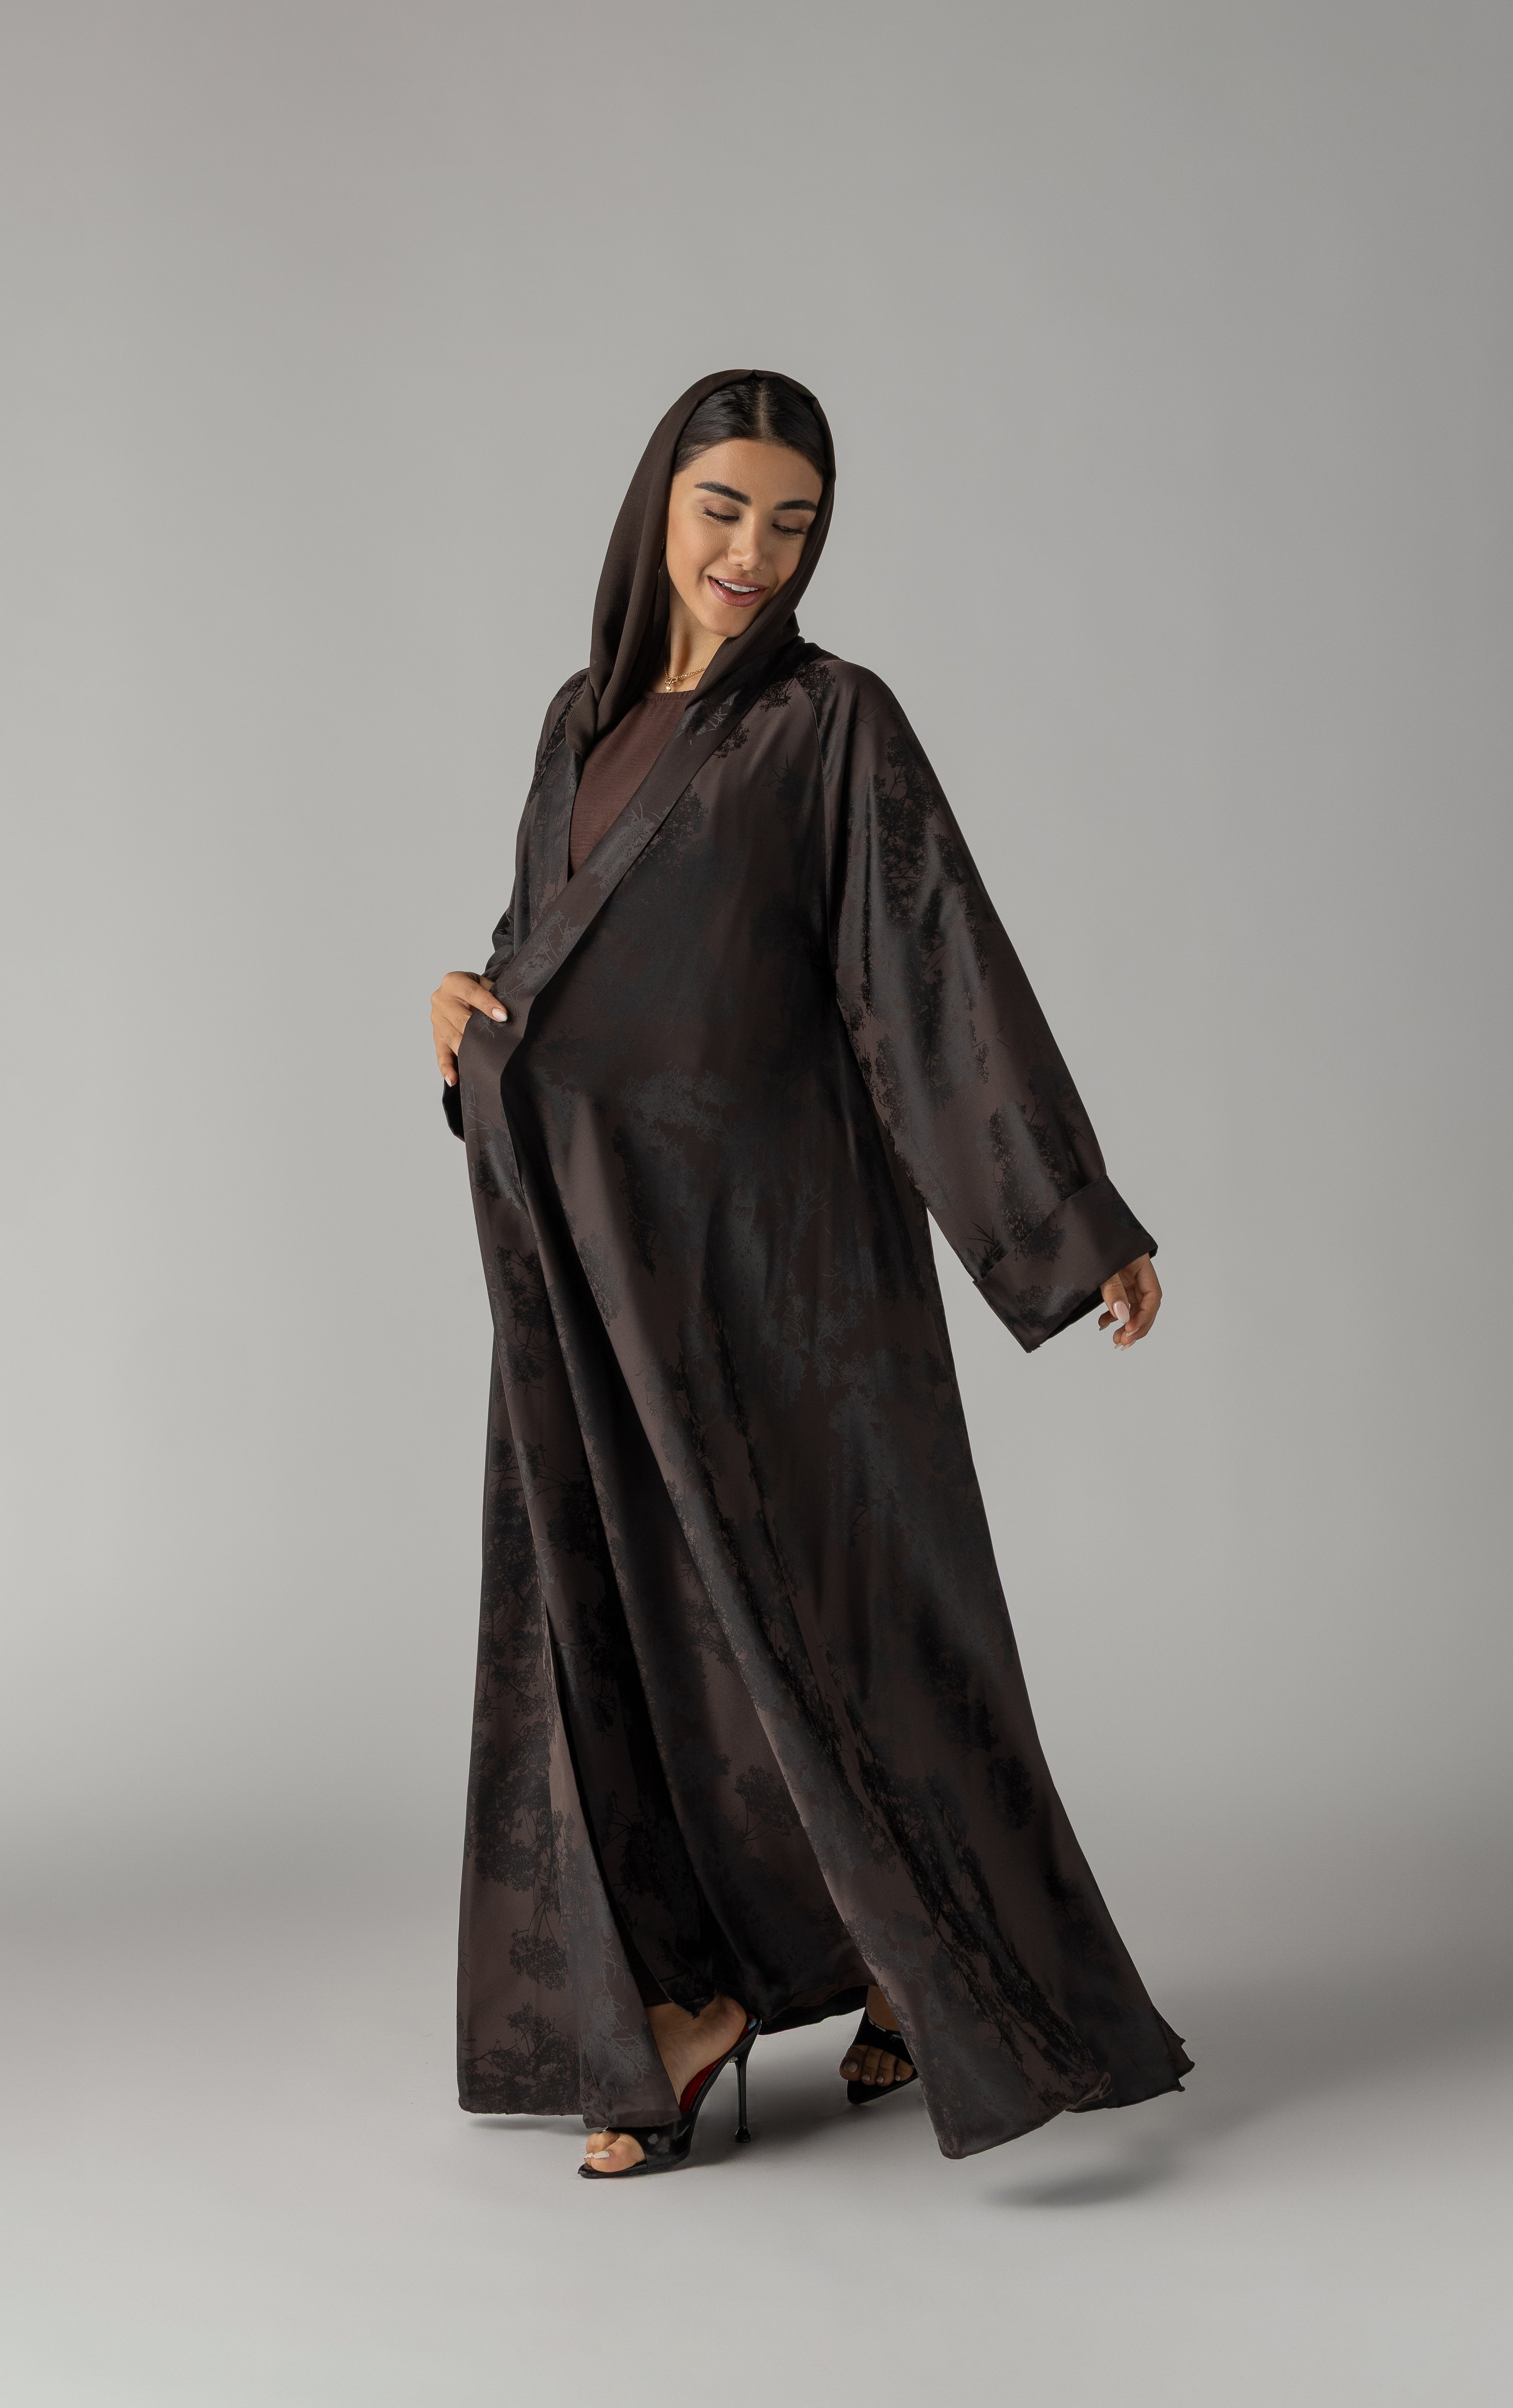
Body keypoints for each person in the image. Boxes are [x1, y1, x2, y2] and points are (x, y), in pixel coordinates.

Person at [430, 370, 1187, 2178]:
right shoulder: (577, 723)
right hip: (599, 1266)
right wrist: (462, 1015)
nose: (753, 554)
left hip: (786, 1268)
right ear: (657, 507)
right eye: (723, 511)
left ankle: (929, 1974)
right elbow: (555, 958)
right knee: (630, 1621)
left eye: (793, 523)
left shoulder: (832, 723)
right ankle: (690, 1995)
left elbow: (930, 965)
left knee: (851, 1622)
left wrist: (1068, 1218)